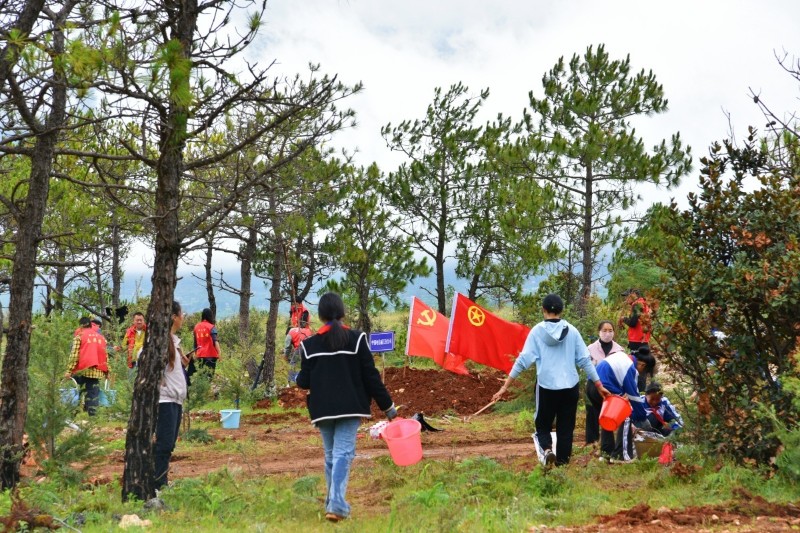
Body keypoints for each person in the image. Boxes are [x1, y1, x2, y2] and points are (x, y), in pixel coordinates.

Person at [295, 292, 396, 522]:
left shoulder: (309, 345)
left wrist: (301, 371)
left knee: (332, 455)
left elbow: (303, 382)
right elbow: (371, 377)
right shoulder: (357, 339)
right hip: (351, 407)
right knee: (342, 454)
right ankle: (337, 504)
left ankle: (333, 503)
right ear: (341, 312)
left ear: (320, 316)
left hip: (322, 410)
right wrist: (388, 406)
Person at [492, 294, 610, 467]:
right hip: (570, 387)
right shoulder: (572, 331)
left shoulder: (537, 331)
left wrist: (505, 386)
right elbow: (585, 360)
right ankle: (562, 465)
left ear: (544, 310)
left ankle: (547, 450)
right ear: (562, 311)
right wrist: (599, 385)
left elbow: (522, 361)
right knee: (566, 428)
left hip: (546, 387)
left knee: (542, 423)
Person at [590, 349, 657, 461]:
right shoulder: (630, 367)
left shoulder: (621, 356)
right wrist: (643, 419)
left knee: (608, 418)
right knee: (626, 413)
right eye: (644, 372)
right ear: (642, 364)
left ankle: (607, 453)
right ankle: (620, 455)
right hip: (604, 388)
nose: (642, 374)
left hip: (592, 387)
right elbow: (634, 397)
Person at [155, 301, 189, 490]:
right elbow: (146, 357)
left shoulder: (172, 341)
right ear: (174, 317)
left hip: (174, 400)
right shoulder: (161, 341)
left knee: (168, 444)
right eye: (181, 313)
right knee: (163, 444)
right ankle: (158, 484)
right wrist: (162, 383)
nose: (183, 317)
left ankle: (161, 481)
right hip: (165, 400)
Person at [584, 321, 625, 445]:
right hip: (593, 384)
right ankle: (592, 440)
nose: (607, 333)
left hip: (611, 386)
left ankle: (607, 443)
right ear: (599, 332)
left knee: (607, 411)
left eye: (610, 330)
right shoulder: (590, 349)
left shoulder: (619, 350)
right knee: (592, 411)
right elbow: (587, 367)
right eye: (604, 330)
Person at [65, 317, 109, 416]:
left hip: (82, 369)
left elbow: (74, 355)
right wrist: (107, 372)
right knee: (93, 394)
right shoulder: (101, 338)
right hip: (96, 370)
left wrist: (69, 370)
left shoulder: (80, 336)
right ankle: (92, 417)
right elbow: (105, 356)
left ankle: (73, 412)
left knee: (76, 390)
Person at [284, 310, 312, 384]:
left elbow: (287, 347)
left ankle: (292, 381)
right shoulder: (308, 330)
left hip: (301, 347)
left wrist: (285, 357)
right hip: (310, 348)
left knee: (293, 363)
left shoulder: (290, 332)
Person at [193, 308, 220, 375]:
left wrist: (195, 353)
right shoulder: (211, 327)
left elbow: (195, 342)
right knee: (209, 376)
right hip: (210, 355)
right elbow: (215, 341)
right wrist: (219, 353)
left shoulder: (196, 327)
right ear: (210, 316)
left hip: (200, 355)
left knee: (201, 375)